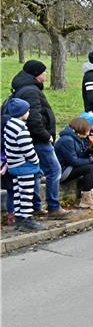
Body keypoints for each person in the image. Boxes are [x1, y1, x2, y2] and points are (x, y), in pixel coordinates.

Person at [9, 60, 67, 219]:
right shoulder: (31, 91)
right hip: (38, 139)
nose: (46, 74)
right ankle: (54, 206)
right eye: (44, 71)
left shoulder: (25, 88)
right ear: (36, 74)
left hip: (31, 138)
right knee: (54, 170)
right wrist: (46, 135)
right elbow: (34, 118)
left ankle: (35, 206)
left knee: (35, 172)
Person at [3, 98, 44, 232]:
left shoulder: (9, 125)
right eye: (27, 110)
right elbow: (28, 149)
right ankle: (27, 219)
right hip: (24, 165)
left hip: (13, 164)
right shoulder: (21, 130)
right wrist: (36, 160)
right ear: (22, 113)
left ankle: (19, 218)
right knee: (26, 193)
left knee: (17, 193)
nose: (29, 112)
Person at [54, 117, 93, 209]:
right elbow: (74, 161)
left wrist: (88, 152)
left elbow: (78, 156)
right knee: (90, 168)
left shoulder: (76, 138)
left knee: (91, 166)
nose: (88, 132)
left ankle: (90, 195)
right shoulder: (67, 140)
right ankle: (85, 200)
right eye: (87, 130)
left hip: (69, 167)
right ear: (81, 128)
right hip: (62, 171)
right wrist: (90, 160)